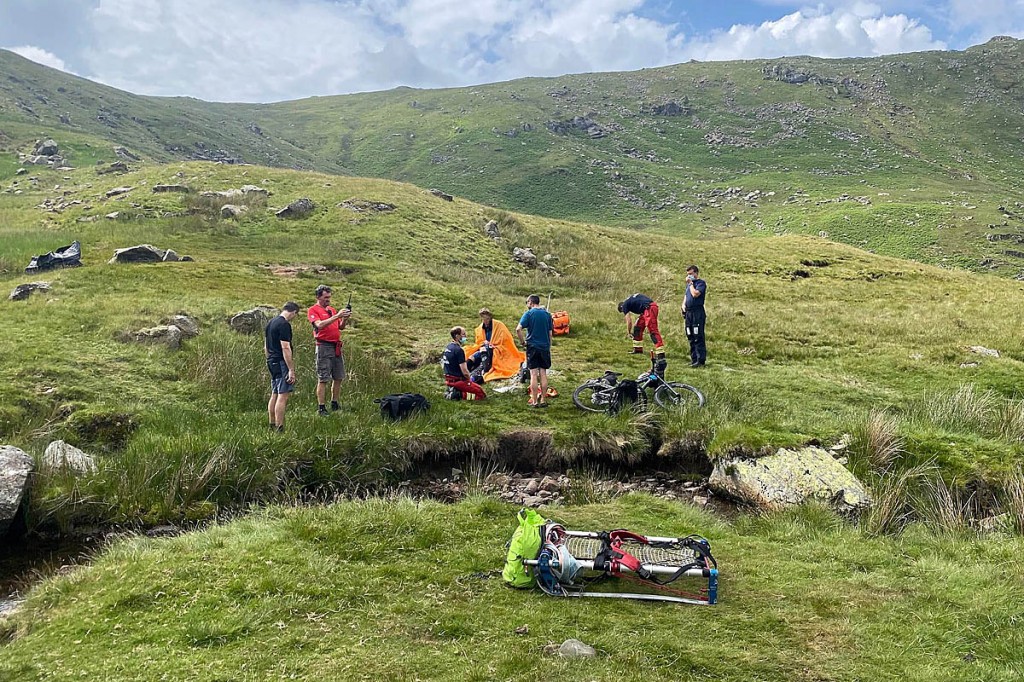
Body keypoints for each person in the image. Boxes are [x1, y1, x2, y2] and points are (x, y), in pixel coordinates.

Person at [307, 284, 352, 416]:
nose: (328, 300)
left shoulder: (332, 310)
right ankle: (321, 407)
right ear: (318, 297)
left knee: (338, 376)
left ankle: (335, 403)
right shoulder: (313, 310)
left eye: (329, 297)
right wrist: (337, 316)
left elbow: (340, 327)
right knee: (323, 378)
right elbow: (319, 325)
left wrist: (344, 319)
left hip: (336, 346)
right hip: (323, 346)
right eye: (325, 297)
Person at [265, 302, 300, 432]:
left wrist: (269, 359)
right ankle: (279, 427)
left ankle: (272, 424)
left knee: (274, 393)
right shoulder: (284, 325)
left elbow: (265, 346)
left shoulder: (271, 323)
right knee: (283, 395)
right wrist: (291, 369)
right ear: (293, 312)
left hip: (271, 361)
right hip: (281, 362)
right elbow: (285, 347)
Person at [464, 308, 526, 383]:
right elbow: (479, 342)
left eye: (487, 319)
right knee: (475, 352)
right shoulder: (481, 328)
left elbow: (506, 341)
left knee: (484, 351)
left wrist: (493, 345)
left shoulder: (499, 326)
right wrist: (484, 343)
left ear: (490, 317)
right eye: (483, 319)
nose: (485, 321)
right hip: (484, 348)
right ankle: (467, 369)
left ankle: (480, 371)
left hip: (498, 349)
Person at [515, 294, 554, 408]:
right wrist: (548, 346)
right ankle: (543, 400)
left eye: (527, 302)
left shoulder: (529, 314)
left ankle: (535, 401)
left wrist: (523, 342)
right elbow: (550, 333)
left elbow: (518, 329)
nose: (527, 304)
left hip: (532, 347)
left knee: (533, 374)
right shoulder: (547, 315)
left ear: (531, 302)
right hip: (544, 347)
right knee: (543, 373)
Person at [618, 293, 665, 363]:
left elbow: (629, 321)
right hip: (646, 309)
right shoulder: (629, 300)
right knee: (638, 327)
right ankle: (638, 349)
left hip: (649, 308)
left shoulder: (624, 305)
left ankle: (660, 353)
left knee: (653, 330)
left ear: (621, 308)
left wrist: (628, 332)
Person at [442, 326, 486, 400]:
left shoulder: (448, 347)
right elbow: (465, 372)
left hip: (449, 379)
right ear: (457, 336)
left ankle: (453, 389)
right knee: (481, 394)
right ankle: (459, 395)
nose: (465, 336)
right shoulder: (459, 350)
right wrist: (469, 381)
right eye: (463, 334)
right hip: (458, 380)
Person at [681, 265, 707, 367]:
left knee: (698, 335)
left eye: (691, 274)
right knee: (690, 335)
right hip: (689, 313)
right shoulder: (688, 285)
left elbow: (695, 294)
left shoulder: (700, 283)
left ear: (696, 273)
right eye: (688, 274)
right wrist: (683, 306)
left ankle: (700, 360)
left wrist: (691, 284)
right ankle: (694, 359)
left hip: (697, 312)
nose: (689, 276)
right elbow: (686, 296)